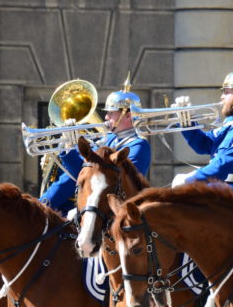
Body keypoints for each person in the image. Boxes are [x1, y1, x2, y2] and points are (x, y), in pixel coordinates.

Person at [40, 75, 151, 217]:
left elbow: (117, 183)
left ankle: (43, 206)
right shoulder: (109, 138)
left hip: (112, 212)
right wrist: (69, 147)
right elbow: (81, 170)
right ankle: (43, 205)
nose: (106, 117)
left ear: (128, 115)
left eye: (111, 113)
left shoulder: (138, 145)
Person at [171, 54, 233, 204]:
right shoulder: (232, 122)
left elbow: (224, 164)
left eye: (226, 92)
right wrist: (187, 122)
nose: (222, 98)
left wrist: (190, 179)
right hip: (220, 191)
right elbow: (203, 145)